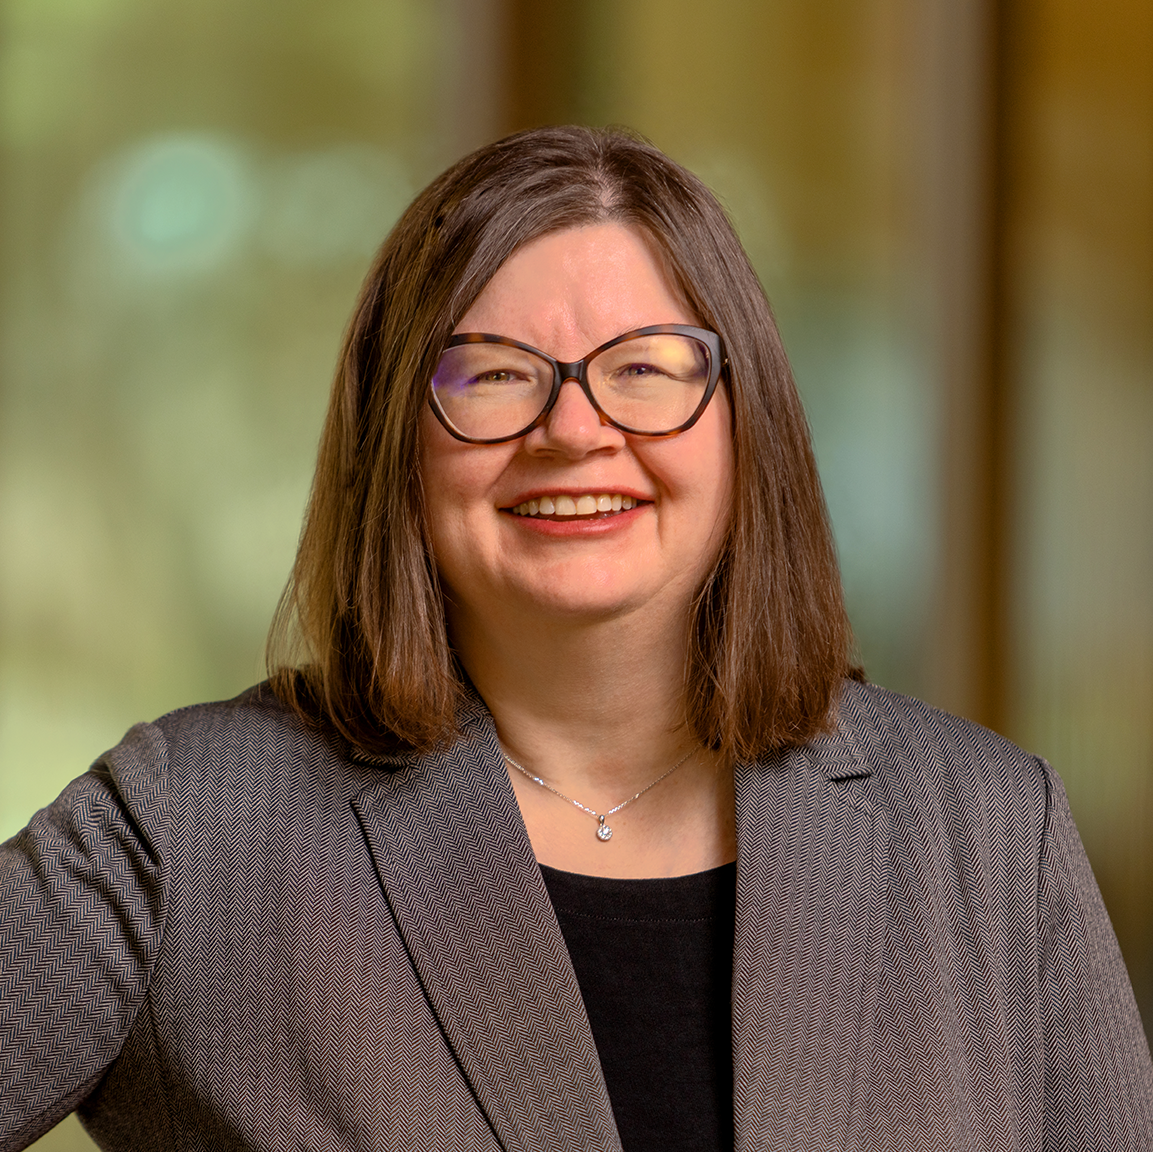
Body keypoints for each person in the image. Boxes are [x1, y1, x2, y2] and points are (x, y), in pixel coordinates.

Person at [2, 125, 1151, 1152]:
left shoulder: (994, 834)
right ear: (397, 432)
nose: (573, 431)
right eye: (495, 375)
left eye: (646, 370)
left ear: (750, 426)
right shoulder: (190, 832)